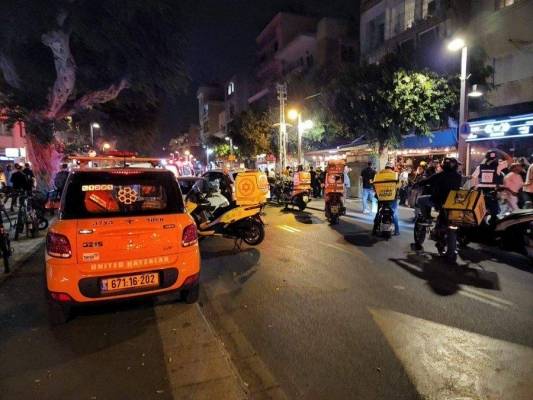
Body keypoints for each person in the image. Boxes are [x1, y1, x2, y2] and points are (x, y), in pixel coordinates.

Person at [414, 158, 462, 223]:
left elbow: (427, 181)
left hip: (439, 200)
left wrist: (416, 184)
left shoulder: (440, 175)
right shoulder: (459, 177)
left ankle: (427, 218)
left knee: (420, 200)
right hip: (452, 201)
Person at [471, 149, 512, 218]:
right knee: (494, 212)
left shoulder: (480, 167)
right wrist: (500, 151)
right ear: (496, 158)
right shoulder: (498, 166)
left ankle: (483, 222)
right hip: (492, 192)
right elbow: (510, 160)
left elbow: (473, 177)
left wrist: (475, 187)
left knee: (482, 211)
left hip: (482, 191)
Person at [373, 163, 400, 235]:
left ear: (385, 167)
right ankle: (397, 231)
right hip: (392, 198)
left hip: (381, 197)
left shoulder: (378, 174)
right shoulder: (395, 174)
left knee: (378, 212)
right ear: (392, 168)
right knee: (394, 213)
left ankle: (374, 230)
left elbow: (374, 185)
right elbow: (399, 186)